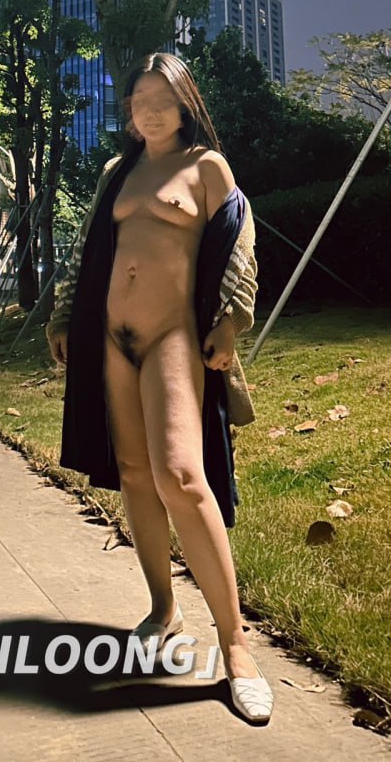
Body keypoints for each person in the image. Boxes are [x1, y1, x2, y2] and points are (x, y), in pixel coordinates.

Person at [44, 51, 272, 724]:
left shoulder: (206, 167)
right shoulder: (118, 171)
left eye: (160, 100)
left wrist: (230, 322)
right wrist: (63, 315)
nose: (148, 111)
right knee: (136, 474)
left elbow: (240, 247)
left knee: (181, 475)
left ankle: (237, 648)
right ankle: (162, 609)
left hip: (172, 335)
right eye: (138, 101)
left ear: (184, 104)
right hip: (110, 338)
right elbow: (89, 249)